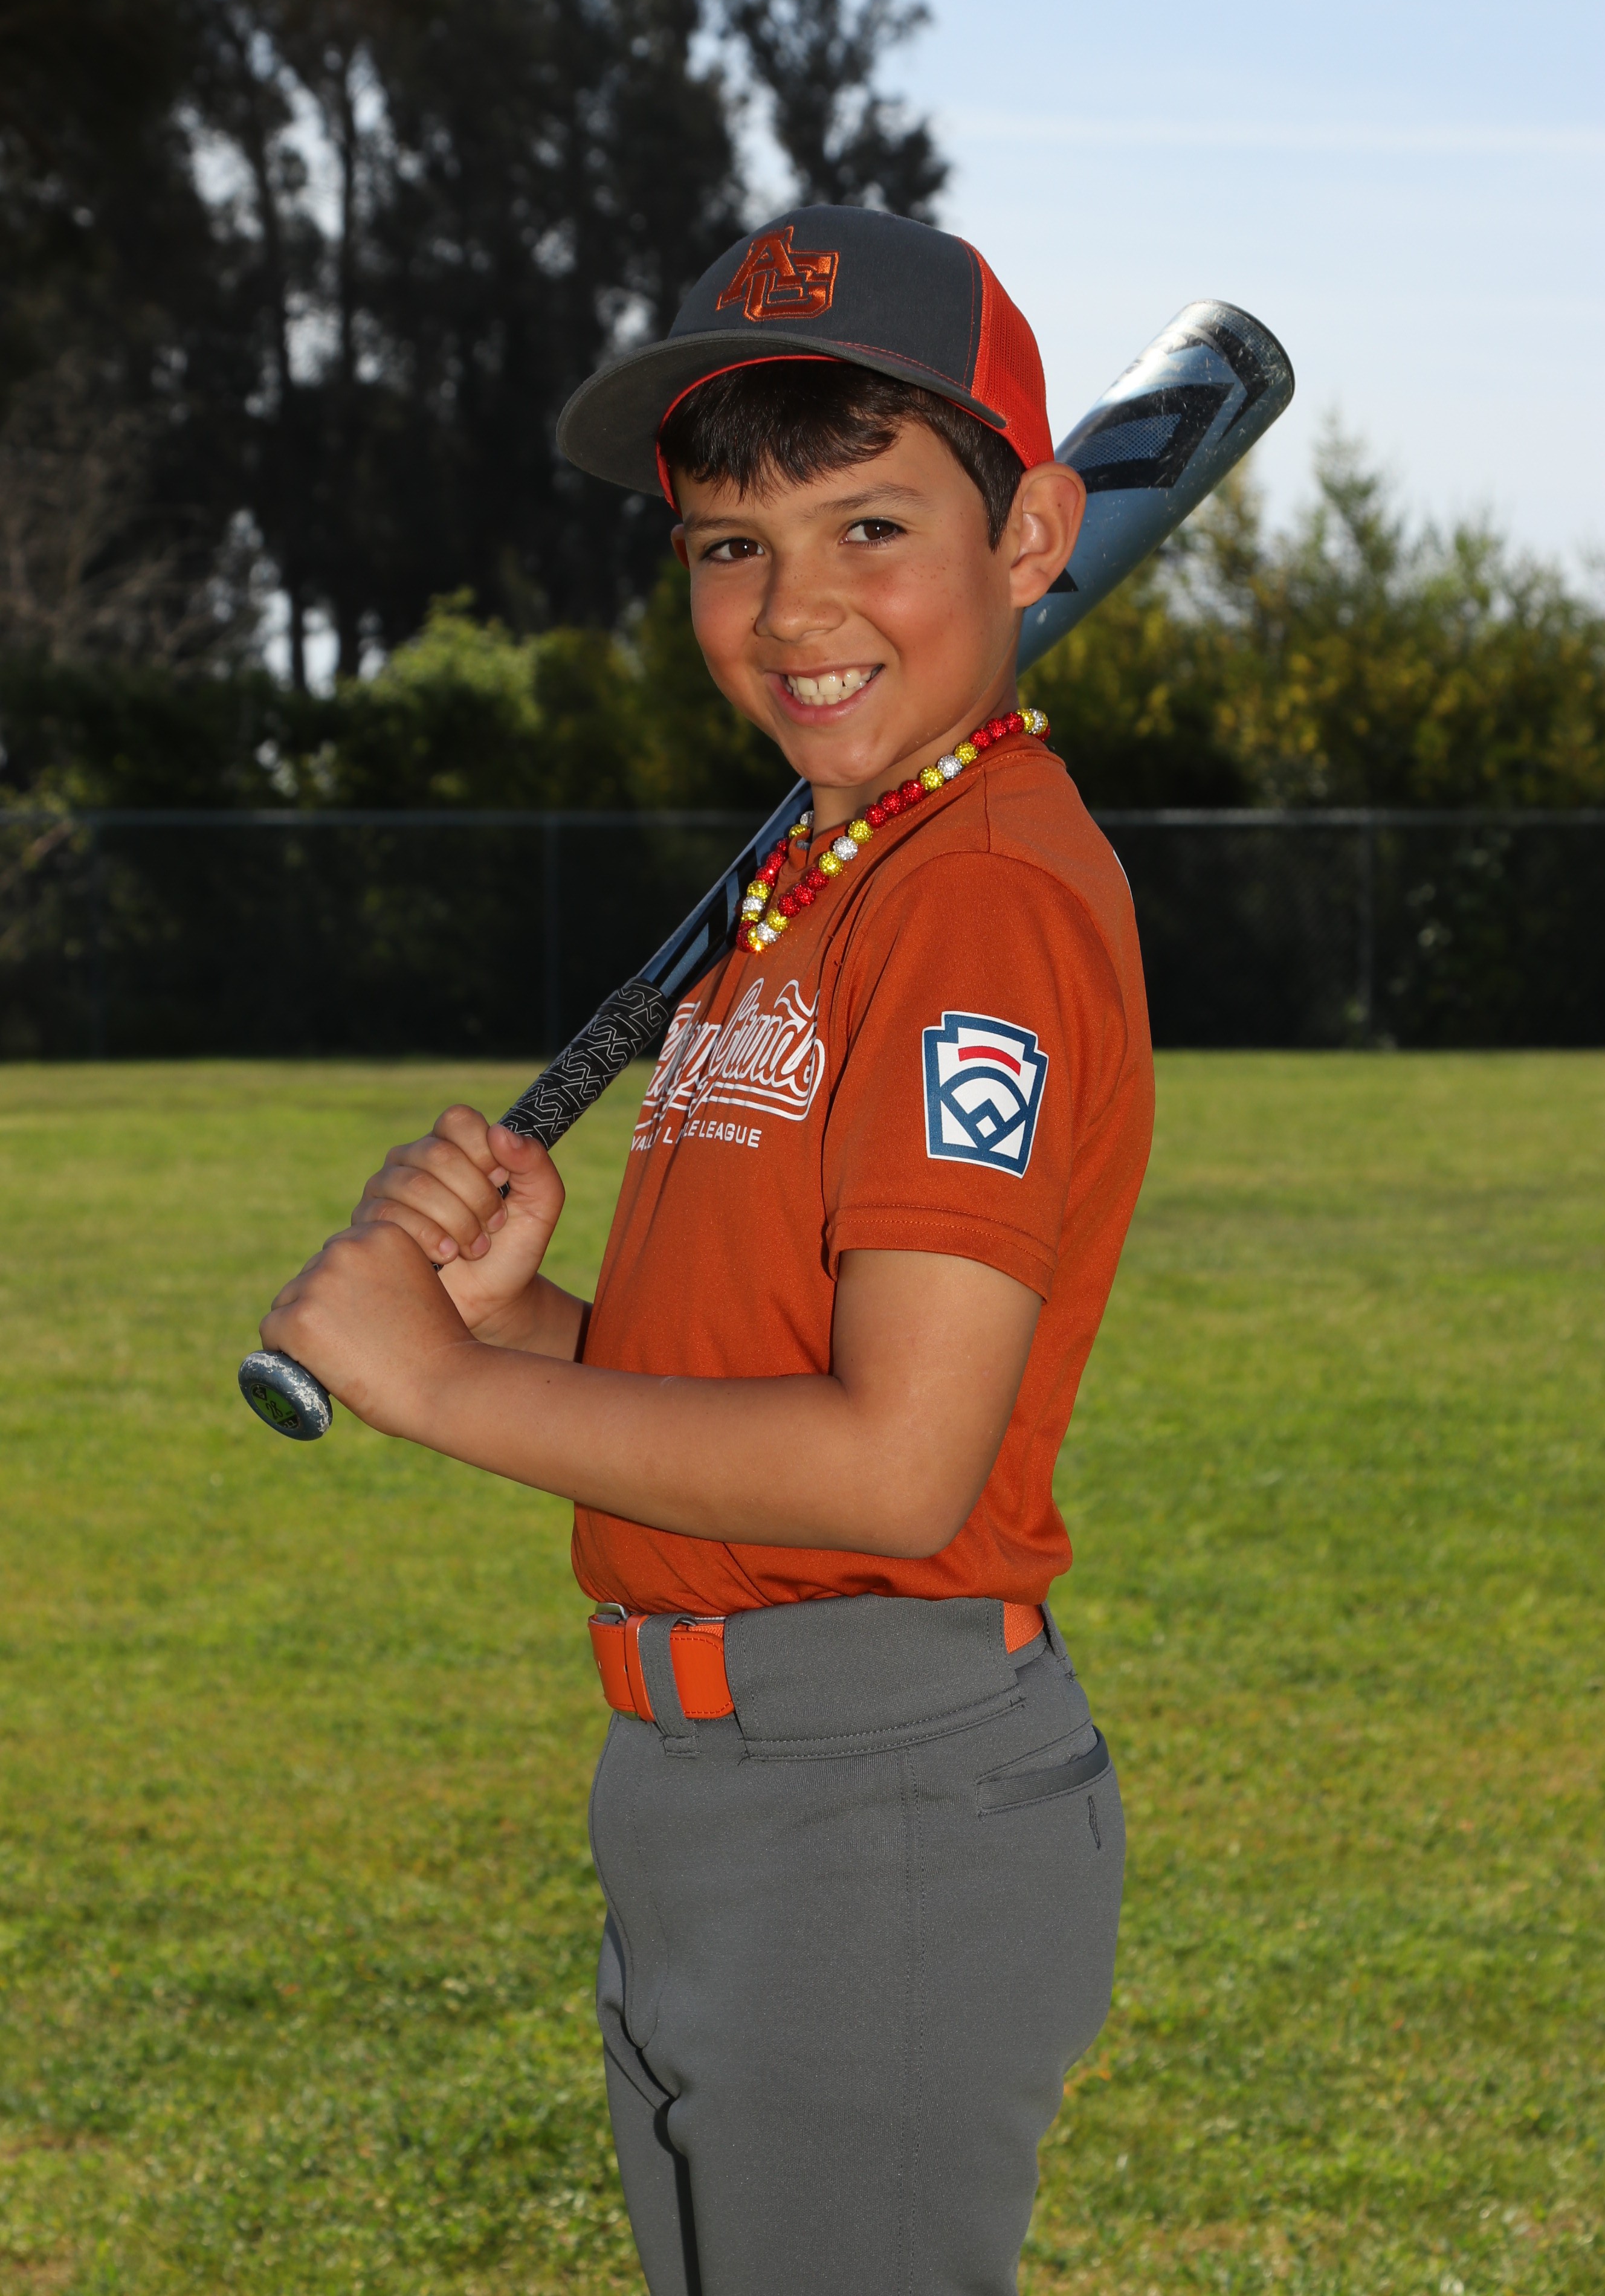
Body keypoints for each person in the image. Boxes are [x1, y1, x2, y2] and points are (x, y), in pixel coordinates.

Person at [262, 204, 1154, 2294]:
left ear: (1036, 535)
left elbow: (895, 1466)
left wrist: (447, 1388)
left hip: (874, 1801)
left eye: (872, 527)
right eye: (730, 545)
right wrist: (531, 1327)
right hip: (717, 1787)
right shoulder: (820, 892)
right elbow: (767, 1391)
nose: (794, 606)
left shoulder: (978, 902)